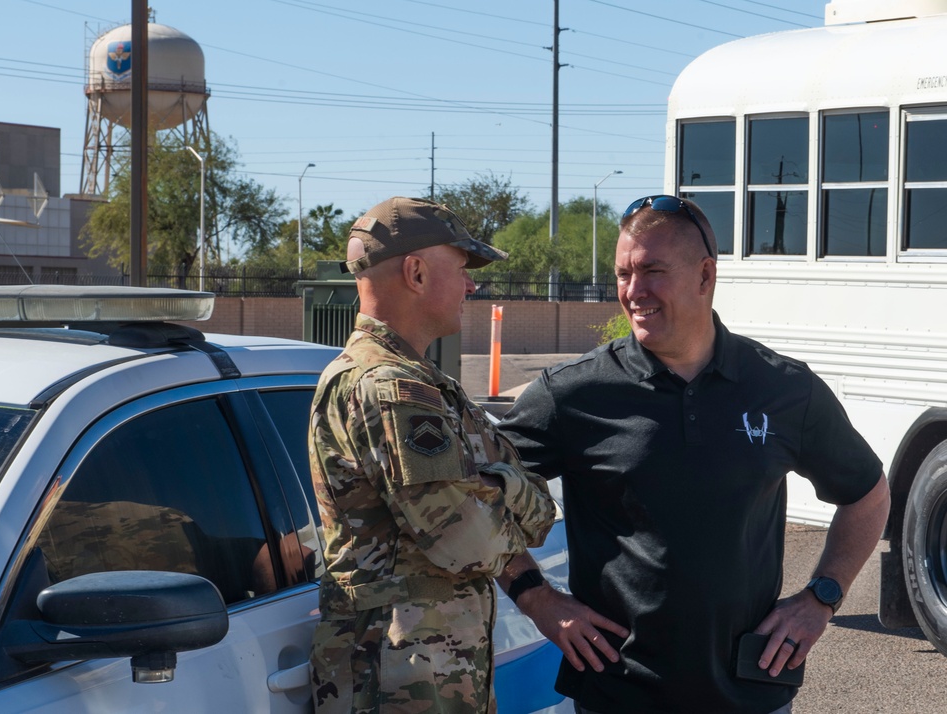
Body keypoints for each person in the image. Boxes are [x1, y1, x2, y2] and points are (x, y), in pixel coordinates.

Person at [497, 195, 891, 713]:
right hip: (617, 692)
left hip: (753, 692)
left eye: (652, 271)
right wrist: (536, 597)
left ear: (705, 275)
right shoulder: (572, 394)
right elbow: (476, 495)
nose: (634, 292)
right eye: (622, 274)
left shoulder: (783, 388)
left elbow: (867, 493)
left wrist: (821, 597)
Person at [308, 196, 559, 714]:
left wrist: (499, 492)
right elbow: (469, 540)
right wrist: (509, 488)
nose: (472, 285)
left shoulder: (423, 382)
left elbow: (534, 513)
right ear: (416, 273)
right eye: (463, 268)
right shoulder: (390, 388)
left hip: (426, 673)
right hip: (398, 682)